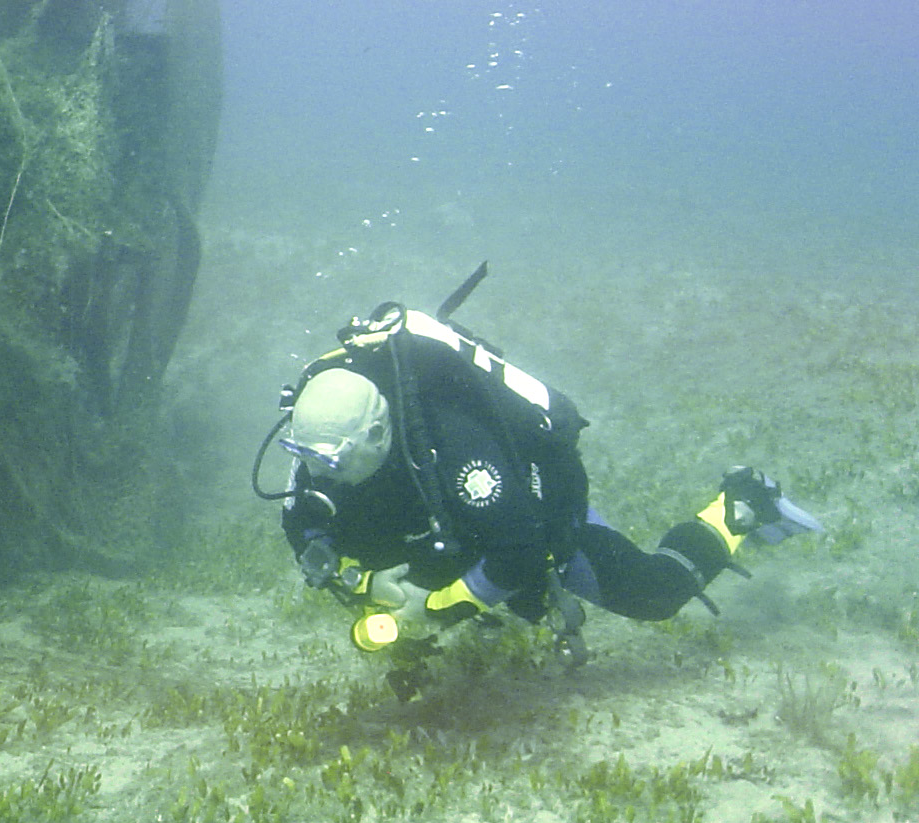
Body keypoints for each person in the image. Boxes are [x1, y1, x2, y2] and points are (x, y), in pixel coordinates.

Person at [257, 267, 819, 697]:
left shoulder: (455, 450)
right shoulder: (321, 458)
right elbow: (304, 530)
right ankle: (470, 617)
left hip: (527, 519)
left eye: (334, 461)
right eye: (309, 458)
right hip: (445, 531)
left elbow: (520, 552)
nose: (320, 474)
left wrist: (434, 610)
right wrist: (358, 581)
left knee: (653, 596)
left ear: (377, 433)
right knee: (391, 575)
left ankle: (742, 503)